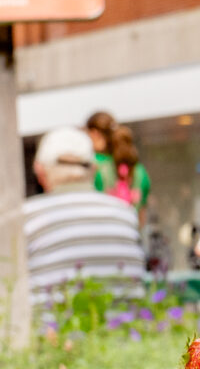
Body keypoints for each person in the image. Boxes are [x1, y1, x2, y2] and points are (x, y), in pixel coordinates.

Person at [22, 127, 145, 303]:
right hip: (125, 320)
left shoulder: (27, 216)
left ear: (40, 172)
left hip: (55, 321)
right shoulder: (126, 213)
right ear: (93, 170)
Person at [87, 111, 152, 210]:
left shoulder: (92, 165)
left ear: (94, 134)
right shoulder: (139, 170)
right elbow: (142, 213)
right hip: (130, 219)